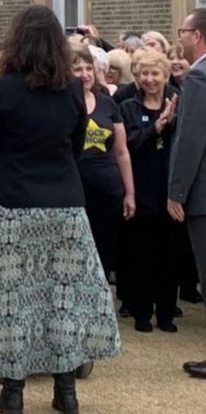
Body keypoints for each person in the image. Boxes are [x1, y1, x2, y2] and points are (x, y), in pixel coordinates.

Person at [0, 5, 120, 414]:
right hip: (65, 206)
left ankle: (14, 392)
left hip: (12, 204)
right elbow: (75, 148)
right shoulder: (75, 91)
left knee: (12, 298)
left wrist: (1, 180)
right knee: (64, 298)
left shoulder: (1, 90)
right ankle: (66, 391)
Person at [121, 50, 179, 332]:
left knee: (170, 254)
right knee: (142, 254)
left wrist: (171, 121)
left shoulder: (179, 103)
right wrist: (156, 127)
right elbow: (129, 144)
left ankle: (166, 313)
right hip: (142, 188)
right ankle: (142, 314)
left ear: (165, 75)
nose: (150, 79)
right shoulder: (130, 107)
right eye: (144, 74)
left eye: (155, 73)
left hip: (171, 190)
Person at [71, 46, 135, 277]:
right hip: (73, 192)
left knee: (103, 255)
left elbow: (121, 152)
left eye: (89, 68)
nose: (85, 74)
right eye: (77, 69)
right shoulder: (61, 104)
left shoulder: (108, 104)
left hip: (107, 190)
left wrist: (129, 194)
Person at [168, 9, 206, 377]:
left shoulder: (198, 77)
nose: (180, 38)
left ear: (197, 35)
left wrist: (176, 191)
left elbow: (191, 139)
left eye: (183, 31)